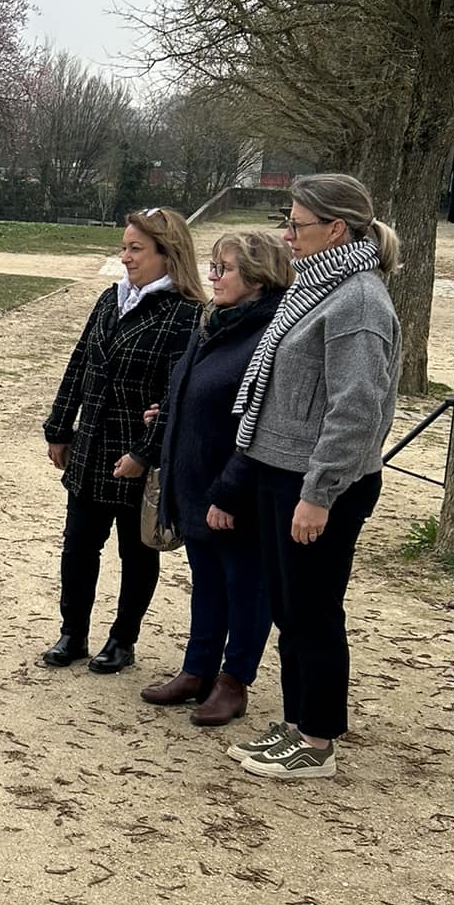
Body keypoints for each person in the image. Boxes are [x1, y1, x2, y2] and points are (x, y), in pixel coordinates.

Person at [223, 175, 402, 779]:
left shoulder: (358, 301)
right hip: (283, 471)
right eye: (288, 220)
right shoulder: (318, 288)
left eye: (297, 224)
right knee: (288, 606)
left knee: (313, 610)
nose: (287, 234)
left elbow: (357, 410)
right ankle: (299, 721)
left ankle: (319, 741)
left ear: (336, 229)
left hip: (320, 483)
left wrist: (319, 493)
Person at [138, 229, 294, 726]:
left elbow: (262, 423)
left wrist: (229, 491)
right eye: (212, 265)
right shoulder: (214, 323)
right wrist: (171, 413)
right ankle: (198, 669)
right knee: (207, 582)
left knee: (245, 586)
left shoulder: (271, 333)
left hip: (236, 492)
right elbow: (195, 387)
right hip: (196, 484)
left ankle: (234, 681)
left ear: (257, 277)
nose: (213, 276)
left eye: (224, 268)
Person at [42, 207, 204, 673]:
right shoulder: (109, 300)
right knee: (77, 545)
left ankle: (122, 639)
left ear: (167, 254)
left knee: (135, 553)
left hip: (137, 455)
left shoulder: (185, 314)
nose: (126, 257)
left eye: (136, 248)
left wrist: (143, 453)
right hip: (90, 445)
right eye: (124, 247)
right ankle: (72, 632)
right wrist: (59, 427)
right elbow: (79, 365)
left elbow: (176, 397)